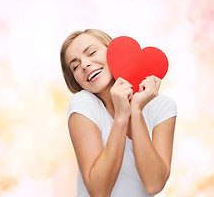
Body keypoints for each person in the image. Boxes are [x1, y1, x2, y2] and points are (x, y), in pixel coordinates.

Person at [60, 29, 177, 197]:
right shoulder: (82, 104)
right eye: (75, 66)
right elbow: (99, 191)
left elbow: (154, 184)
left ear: (114, 51)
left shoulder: (163, 106)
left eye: (92, 52)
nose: (85, 64)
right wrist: (121, 117)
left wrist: (135, 111)